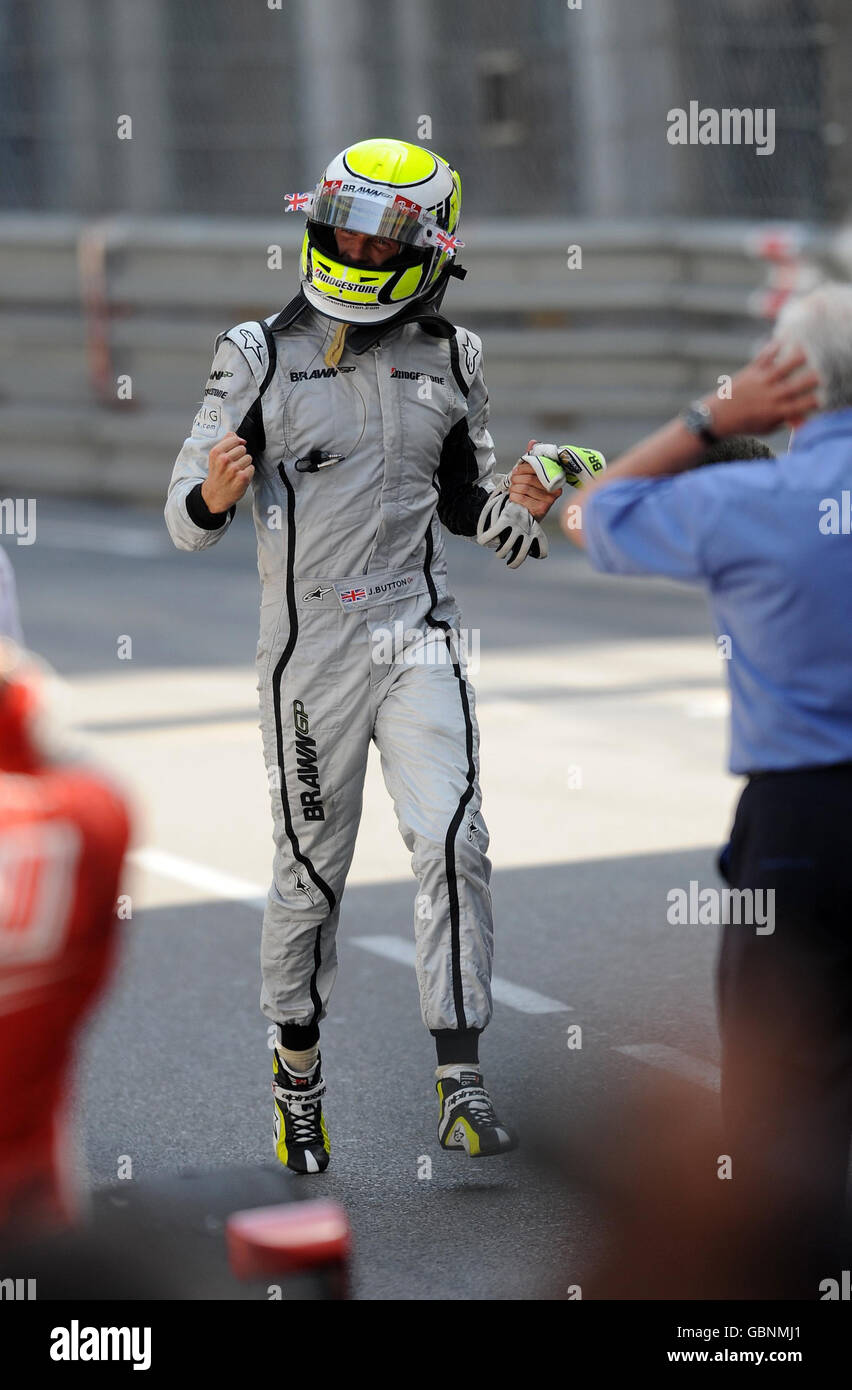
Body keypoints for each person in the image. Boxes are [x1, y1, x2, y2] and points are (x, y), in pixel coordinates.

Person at [165, 138, 563, 1173]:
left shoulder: (455, 357)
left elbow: (475, 513)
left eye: (376, 235)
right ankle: (297, 1079)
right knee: (311, 879)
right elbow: (185, 519)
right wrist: (215, 486)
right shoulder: (255, 351)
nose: (350, 245)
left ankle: (461, 1081)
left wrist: (522, 503)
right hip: (310, 658)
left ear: (428, 250)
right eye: (339, 224)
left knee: (455, 841)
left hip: (416, 633)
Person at [521, 283, 852, 1291]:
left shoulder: (748, 500)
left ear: (789, 390)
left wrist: (714, 416)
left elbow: (596, 509)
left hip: (800, 819)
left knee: (779, 1080)